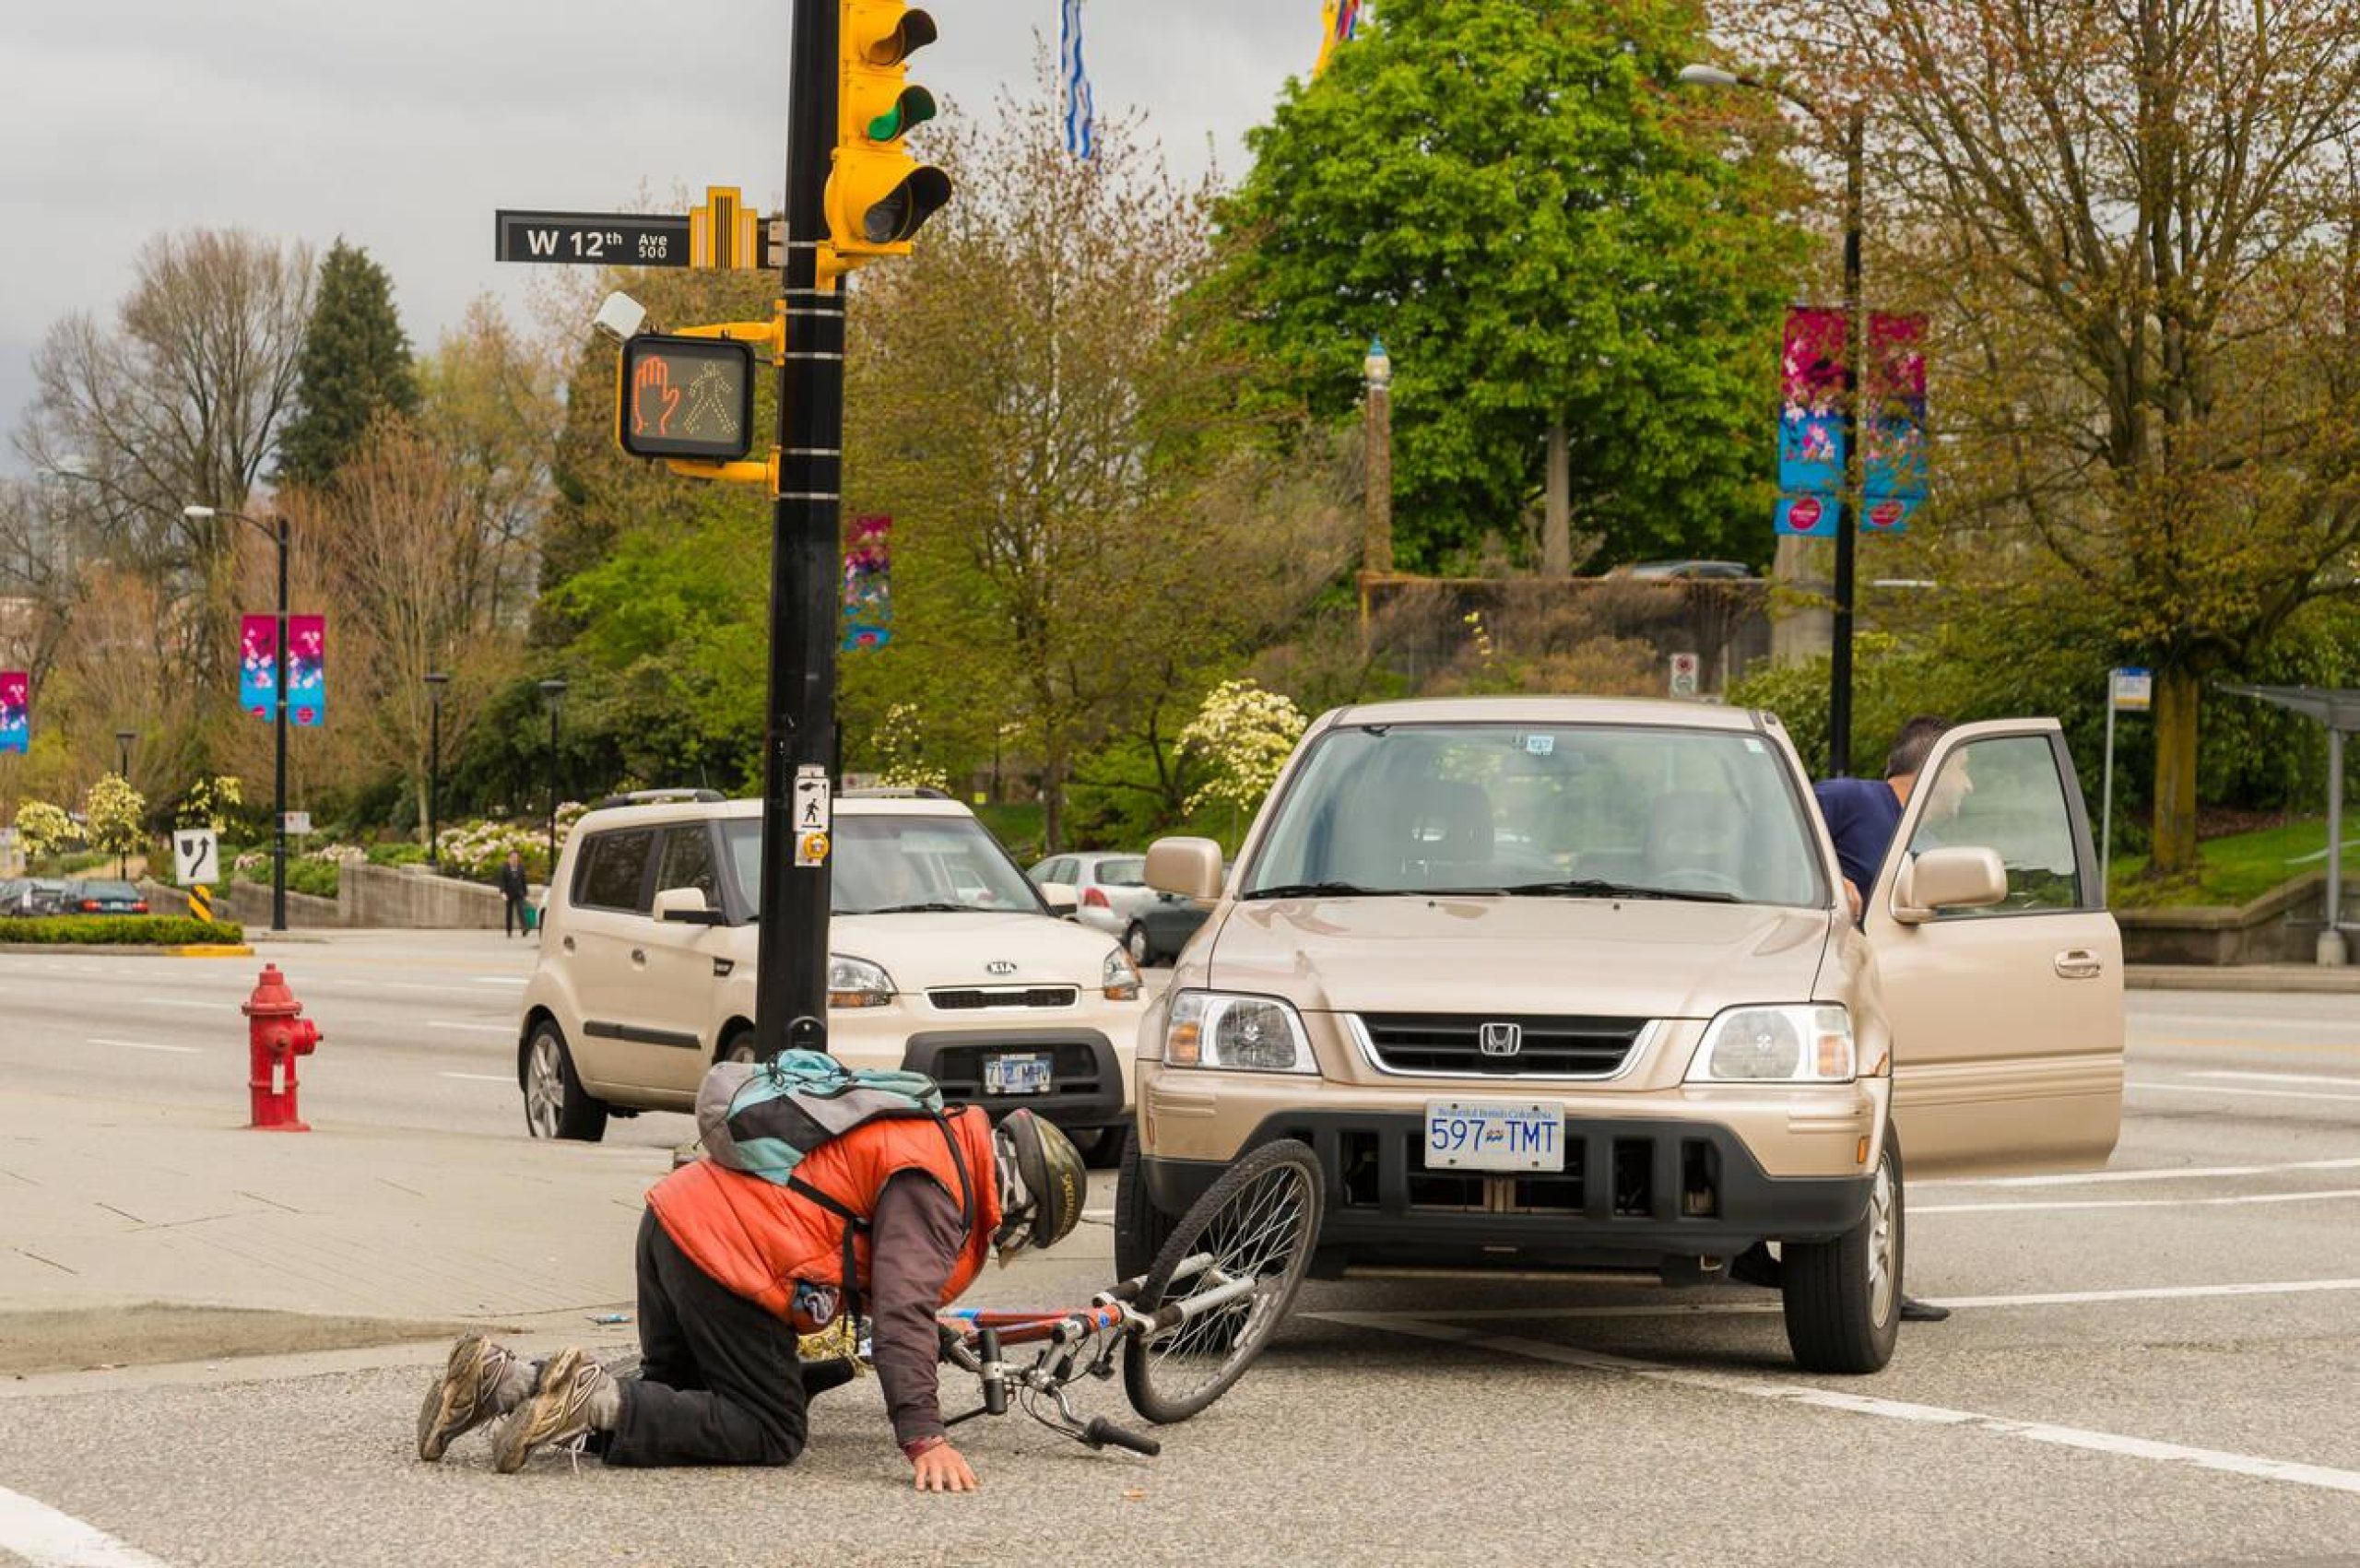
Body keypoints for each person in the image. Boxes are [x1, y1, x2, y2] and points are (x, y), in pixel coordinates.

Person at [416, 1106, 1086, 1491]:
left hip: (676, 1218)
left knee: (676, 1401)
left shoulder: (927, 1136)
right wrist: (924, 1436)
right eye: (1024, 1235)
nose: (1009, 1244)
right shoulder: (941, 1186)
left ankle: (504, 1380)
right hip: (728, 1252)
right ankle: (585, 1396)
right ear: (1025, 1201)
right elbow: (904, 1306)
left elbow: (871, 1285)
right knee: (771, 1427)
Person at [1782, 713, 1969, 1324]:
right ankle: (1851, 1274)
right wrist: (1828, 877)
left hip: (1870, 996)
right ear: (1928, 770)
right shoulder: (1855, 797)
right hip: (1815, 1000)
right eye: (1960, 771)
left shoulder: (1917, 845)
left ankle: (1873, 1275)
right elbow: (1773, 820)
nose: (1967, 787)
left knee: (1880, 1132)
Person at [496, 850, 529, 938]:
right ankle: (509, 930)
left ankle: (524, 928)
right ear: (509, 858)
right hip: (508, 893)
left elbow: (524, 881)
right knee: (509, 913)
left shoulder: (521, 867)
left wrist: (525, 893)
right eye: (513, 857)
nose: (515, 859)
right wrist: (502, 892)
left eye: (516, 857)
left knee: (521, 910)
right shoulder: (504, 867)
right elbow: (501, 881)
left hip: (519, 893)